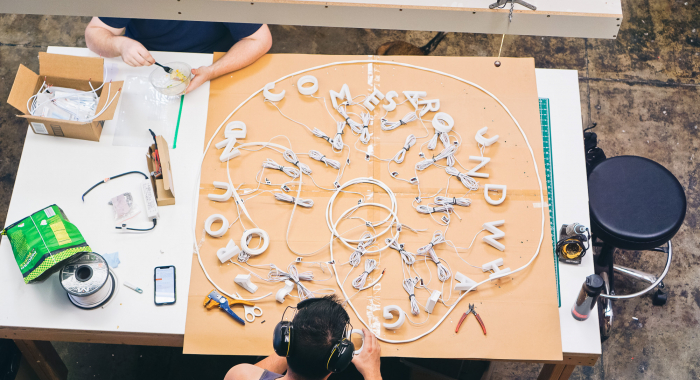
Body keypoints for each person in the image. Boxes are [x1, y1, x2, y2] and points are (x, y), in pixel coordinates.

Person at [84, 17, 272, 94]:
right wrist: (121, 45)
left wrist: (212, 71)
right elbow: (94, 33)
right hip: (145, 67)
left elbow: (260, 40)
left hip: (216, 68)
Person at [225, 296, 382, 380]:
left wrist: (300, 341)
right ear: (339, 361)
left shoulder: (239, 374)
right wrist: (372, 372)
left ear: (283, 342)